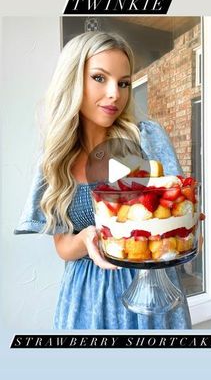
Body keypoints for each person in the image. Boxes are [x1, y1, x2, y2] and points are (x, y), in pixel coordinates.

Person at [15, 30, 192, 329]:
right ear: (73, 80)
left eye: (123, 83)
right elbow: (63, 247)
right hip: (87, 301)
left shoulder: (145, 138)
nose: (115, 93)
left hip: (152, 296)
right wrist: (86, 238)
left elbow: (176, 218)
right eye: (100, 78)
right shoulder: (58, 157)